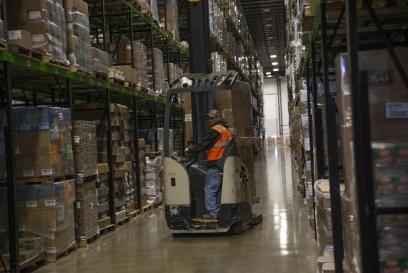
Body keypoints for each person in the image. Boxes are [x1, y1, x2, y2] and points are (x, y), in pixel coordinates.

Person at [184, 109, 232, 220]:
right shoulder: (225, 129)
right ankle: (218, 211)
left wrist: (191, 150)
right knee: (218, 190)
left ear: (217, 117)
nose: (210, 120)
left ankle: (213, 213)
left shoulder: (216, 130)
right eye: (209, 118)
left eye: (212, 118)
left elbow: (204, 144)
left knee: (209, 189)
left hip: (215, 163)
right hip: (222, 163)